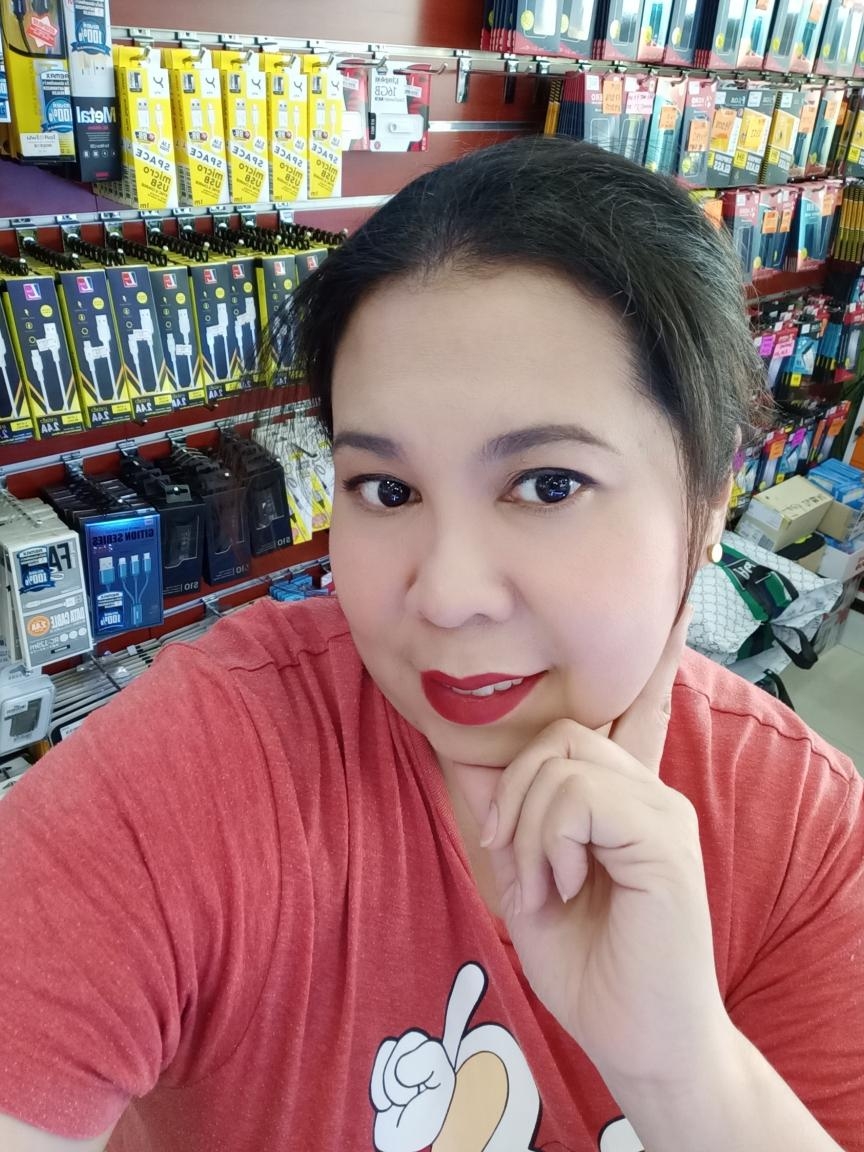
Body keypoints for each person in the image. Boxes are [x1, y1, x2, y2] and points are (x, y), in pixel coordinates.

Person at [0, 136, 861, 1152]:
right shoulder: (210, 759)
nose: (447, 598)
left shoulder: (800, 834)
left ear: (708, 500)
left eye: (548, 484)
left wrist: (683, 1069)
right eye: (387, 489)